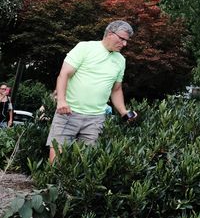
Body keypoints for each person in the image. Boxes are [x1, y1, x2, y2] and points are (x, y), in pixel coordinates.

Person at [46, 20, 138, 163]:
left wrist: (123, 112)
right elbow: (64, 74)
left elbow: (116, 89)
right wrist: (62, 101)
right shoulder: (84, 48)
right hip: (68, 112)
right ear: (109, 33)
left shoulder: (120, 60)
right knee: (56, 160)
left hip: (96, 119)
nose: (125, 44)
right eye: (122, 39)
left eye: (127, 41)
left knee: (85, 165)